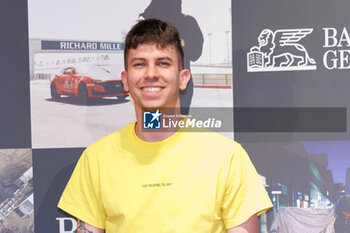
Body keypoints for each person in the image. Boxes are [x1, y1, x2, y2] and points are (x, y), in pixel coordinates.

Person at [58, 19, 272, 233]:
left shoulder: (228, 157)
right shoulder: (96, 158)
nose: (151, 74)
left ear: (183, 78)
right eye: (139, 64)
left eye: (163, 63)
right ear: (125, 80)